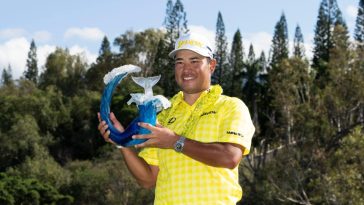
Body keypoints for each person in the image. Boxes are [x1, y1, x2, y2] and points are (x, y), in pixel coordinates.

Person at [98, 32, 255, 204]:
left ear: (211, 65)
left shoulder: (231, 107)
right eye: (180, 62)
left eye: (194, 61)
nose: (186, 69)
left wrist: (174, 141)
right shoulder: (162, 115)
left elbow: (230, 157)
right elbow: (148, 179)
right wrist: (122, 142)